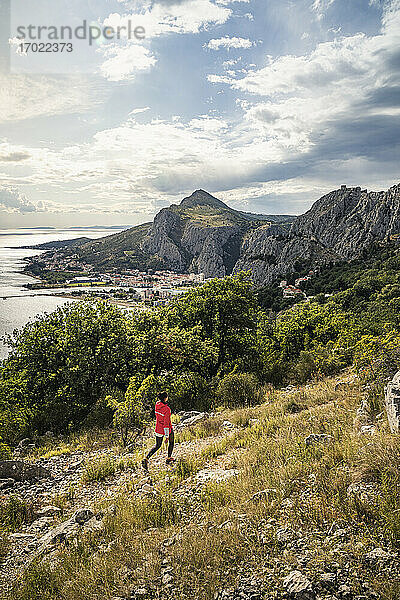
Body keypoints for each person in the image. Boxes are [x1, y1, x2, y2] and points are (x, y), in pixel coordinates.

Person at [142, 391, 175, 470]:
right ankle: (169, 457)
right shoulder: (167, 409)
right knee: (171, 441)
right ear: (165, 398)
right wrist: (166, 436)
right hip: (166, 429)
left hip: (158, 428)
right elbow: (166, 423)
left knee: (157, 445)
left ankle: (146, 459)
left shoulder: (157, 405)